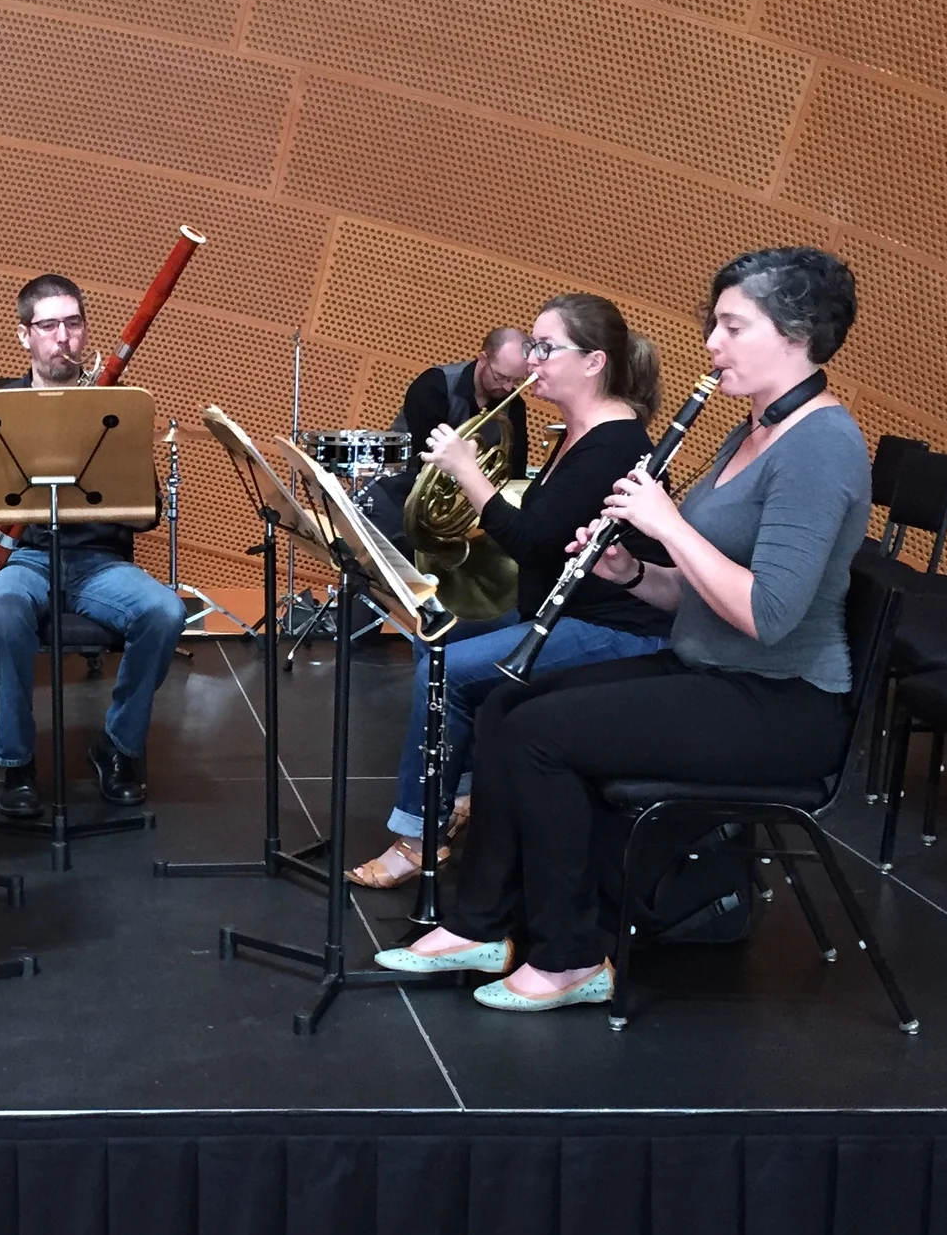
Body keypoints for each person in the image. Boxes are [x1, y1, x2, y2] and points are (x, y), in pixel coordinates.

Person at [379, 247, 871, 1013]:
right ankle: (479, 925)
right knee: (510, 706)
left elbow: (767, 615)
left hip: (780, 702)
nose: (711, 343)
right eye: (715, 324)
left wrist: (667, 525)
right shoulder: (750, 433)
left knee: (543, 736)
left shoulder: (822, 445)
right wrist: (634, 575)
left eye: (733, 326)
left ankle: (574, 955)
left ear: (796, 333)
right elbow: (698, 593)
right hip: (708, 666)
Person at [348, 296, 673, 889]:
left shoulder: (614, 444)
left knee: (446, 668)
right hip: (561, 607)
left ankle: (418, 834)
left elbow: (533, 541)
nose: (533, 360)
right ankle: (462, 790)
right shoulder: (581, 433)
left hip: (616, 628)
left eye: (546, 349)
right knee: (437, 638)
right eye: (532, 347)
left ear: (594, 362)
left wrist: (468, 472)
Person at [0, 273, 186, 813]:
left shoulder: (111, 406)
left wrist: (120, 453)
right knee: (1, 607)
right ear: (24, 335)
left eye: (73, 323)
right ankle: (16, 761)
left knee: (165, 612)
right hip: (23, 558)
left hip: (98, 562)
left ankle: (118, 747)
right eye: (48, 325)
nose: (63, 337)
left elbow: (145, 514)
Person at [361, 327, 531, 553]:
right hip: (394, 500)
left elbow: (514, 473)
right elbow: (428, 458)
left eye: (517, 380)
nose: (508, 387)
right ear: (482, 358)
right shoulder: (434, 385)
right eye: (501, 377)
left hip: (449, 520)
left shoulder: (514, 406)